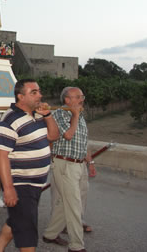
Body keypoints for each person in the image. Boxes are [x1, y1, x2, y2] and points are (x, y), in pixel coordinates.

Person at [0, 79, 59, 252]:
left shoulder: (38, 115)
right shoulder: (9, 120)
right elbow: (1, 155)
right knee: (28, 231)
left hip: (35, 184)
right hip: (21, 185)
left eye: (39, 91)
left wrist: (48, 115)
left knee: (17, 222)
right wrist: (9, 189)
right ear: (21, 97)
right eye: (34, 92)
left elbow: (53, 136)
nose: (40, 95)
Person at [42, 87, 96, 252]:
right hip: (65, 164)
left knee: (63, 203)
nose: (82, 99)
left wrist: (90, 161)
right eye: (78, 97)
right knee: (74, 205)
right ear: (67, 100)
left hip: (80, 165)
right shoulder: (60, 114)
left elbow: (82, 140)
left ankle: (50, 234)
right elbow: (68, 135)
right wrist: (76, 115)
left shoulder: (79, 115)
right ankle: (76, 245)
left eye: (82, 96)